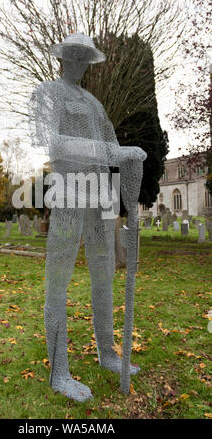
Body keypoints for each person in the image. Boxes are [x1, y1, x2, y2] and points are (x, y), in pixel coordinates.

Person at [30, 33, 147, 402]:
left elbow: (112, 149)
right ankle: (59, 371)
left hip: (101, 195)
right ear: (63, 58)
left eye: (85, 57)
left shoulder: (94, 104)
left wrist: (129, 156)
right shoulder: (46, 93)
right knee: (59, 279)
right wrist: (111, 150)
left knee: (104, 273)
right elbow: (54, 143)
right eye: (74, 56)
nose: (79, 63)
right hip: (68, 190)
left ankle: (108, 353)